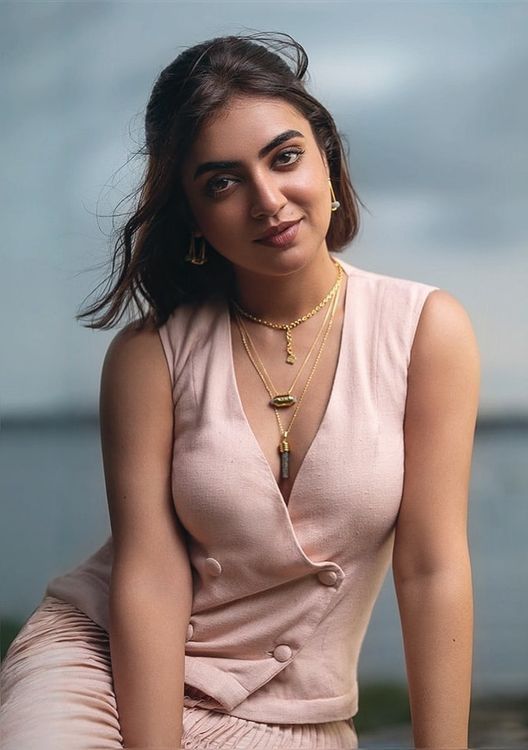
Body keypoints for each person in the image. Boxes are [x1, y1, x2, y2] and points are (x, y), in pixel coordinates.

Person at [0, 32, 479, 750]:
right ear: (192, 215)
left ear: (328, 158)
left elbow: (431, 566)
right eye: (222, 182)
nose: (268, 201)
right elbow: (150, 577)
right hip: (106, 664)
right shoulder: (149, 355)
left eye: (284, 157)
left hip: (294, 713)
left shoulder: (424, 331)